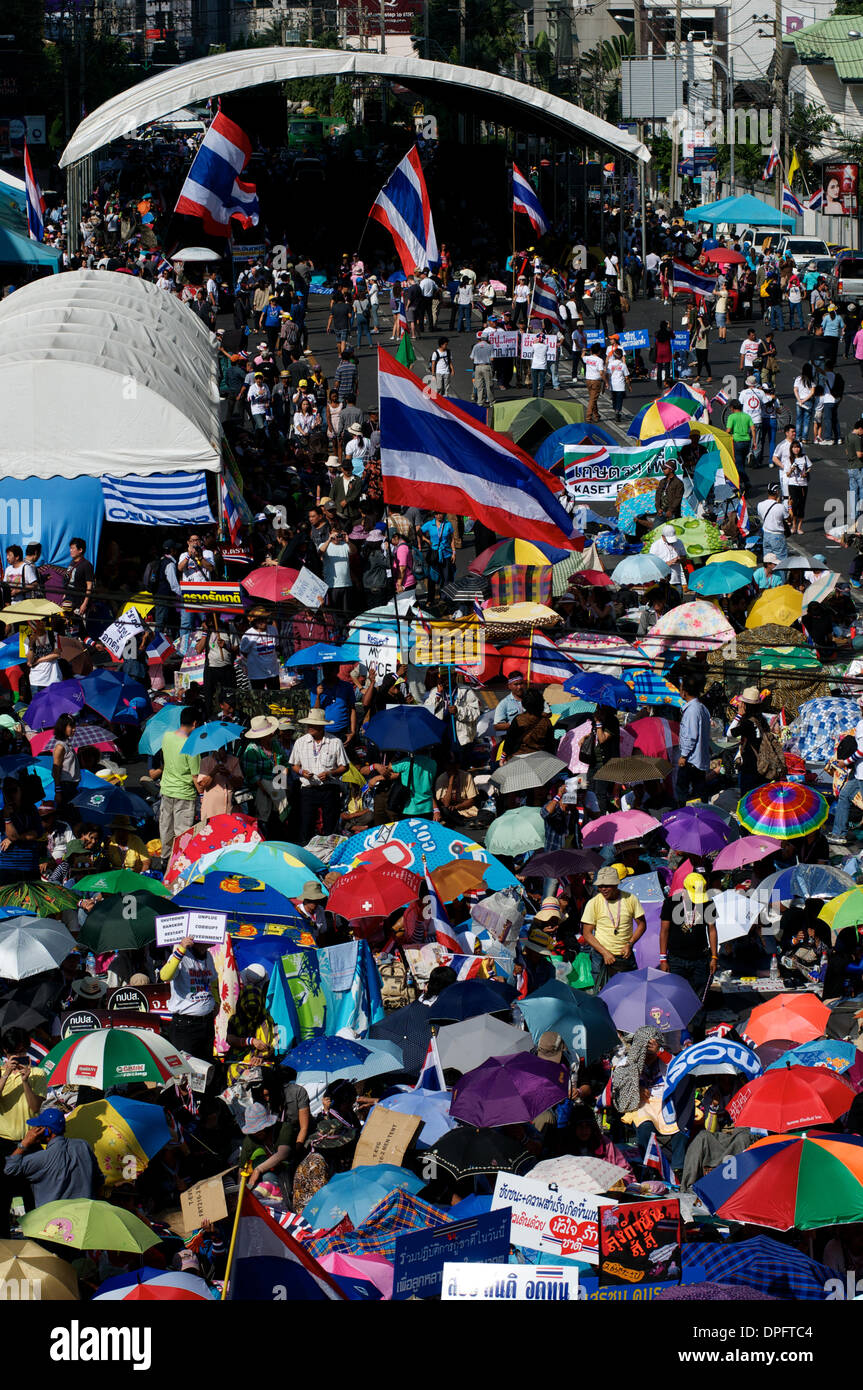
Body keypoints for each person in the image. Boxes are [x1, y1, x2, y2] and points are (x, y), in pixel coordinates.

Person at [658, 872, 718, 1037]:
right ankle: (680, 1036)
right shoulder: (671, 903)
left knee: (700, 1000)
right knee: (677, 998)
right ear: (685, 889)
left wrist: (714, 956)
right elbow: (664, 931)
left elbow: (712, 930)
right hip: (676, 959)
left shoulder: (707, 903)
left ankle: (698, 1036)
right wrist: (663, 958)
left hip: (700, 959)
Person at [0, 1030, 47, 1236]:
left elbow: (35, 1107)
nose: (19, 1058)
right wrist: (5, 1075)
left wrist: (25, 1081)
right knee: (3, 1195)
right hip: (3, 1142)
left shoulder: (38, 1074)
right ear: (5, 1052)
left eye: (22, 1053)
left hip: (31, 1140)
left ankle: (36, 1237)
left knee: (33, 1196)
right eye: (14, 1054)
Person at [4, 1107, 99, 1206]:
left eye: (38, 1127)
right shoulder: (83, 1145)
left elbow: (9, 1168)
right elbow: (98, 1178)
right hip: (84, 1209)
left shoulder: (41, 1158)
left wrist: (25, 1143)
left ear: (46, 1131)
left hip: (53, 1218)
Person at [580, 866, 646, 987]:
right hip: (601, 957)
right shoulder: (593, 903)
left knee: (629, 992)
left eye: (607, 885)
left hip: (625, 955)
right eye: (600, 886)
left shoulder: (630, 899)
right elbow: (587, 933)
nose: (603, 889)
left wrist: (630, 944)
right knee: (603, 993)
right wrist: (604, 952)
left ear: (616, 884)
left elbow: (642, 925)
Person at [290, 709, 348, 841]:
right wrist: (301, 772)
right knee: (306, 824)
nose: (310, 727)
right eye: (309, 724)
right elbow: (294, 764)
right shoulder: (301, 742)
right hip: (308, 789)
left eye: (313, 725)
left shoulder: (335, 742)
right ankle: (306, 852)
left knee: (330, 825)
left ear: (321, 726)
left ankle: (330, 854)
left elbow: (345, 766)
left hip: (329, 789)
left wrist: (330, 773)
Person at [159, 932, 217, 1059]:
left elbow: (213, 979)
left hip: (206, 1023)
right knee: (186, 1069)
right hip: (185, 1025)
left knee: (206, 1066)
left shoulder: (208, 956)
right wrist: (181, 949)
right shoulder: (181, 956)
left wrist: (216, 1002)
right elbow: (165, 976)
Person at [155, 706, 201, 855]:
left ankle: (165, 859)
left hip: (167, 790)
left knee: (166, 828)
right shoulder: (192, 746)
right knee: (182, 833)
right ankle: (180, 863)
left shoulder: (166, 737)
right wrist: (202, 791)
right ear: (194, 724)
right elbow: (196, 778)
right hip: (184, 794)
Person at [677, 676, 711, 803]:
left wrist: (684, 756)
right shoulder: (702, 708)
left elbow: (691, 735)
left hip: (691, 760)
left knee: (682, 792)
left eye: (680, 688)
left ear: (685, 691)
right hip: (699, 759)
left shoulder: (692, 710)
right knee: (699, 792)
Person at [239, 611, 281, 689]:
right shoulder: (248, 635)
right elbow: (243, 652)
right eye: (259, 620)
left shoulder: (273, 630)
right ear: (254, 622)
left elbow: (276, 646)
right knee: (259, 699)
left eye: (264, 619)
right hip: (257, 675)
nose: (263, 622)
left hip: (273, 673)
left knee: (275, 698)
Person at [784, 438, 812, 535]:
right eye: (794, 448)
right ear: (791, 449)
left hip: (803, 484)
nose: (796, 449)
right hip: (793, 484)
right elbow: (787, 474)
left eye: (798, 448)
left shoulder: (804, 457)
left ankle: (799, 527)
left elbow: (810, 467)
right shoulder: (789, 459)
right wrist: (792, 469)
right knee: (794, 504)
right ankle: (794, 525)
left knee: (801, 505)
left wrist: (806, 473)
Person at [470, 332, 495, 406]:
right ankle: (491, 402)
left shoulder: (475, 346)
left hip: (477, 367)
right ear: (487, 338)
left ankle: (480, 402)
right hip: (486, 366)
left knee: (479, 386)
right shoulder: (490, 346)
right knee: (489, 385)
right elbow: (492, 358)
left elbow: (471, 358)